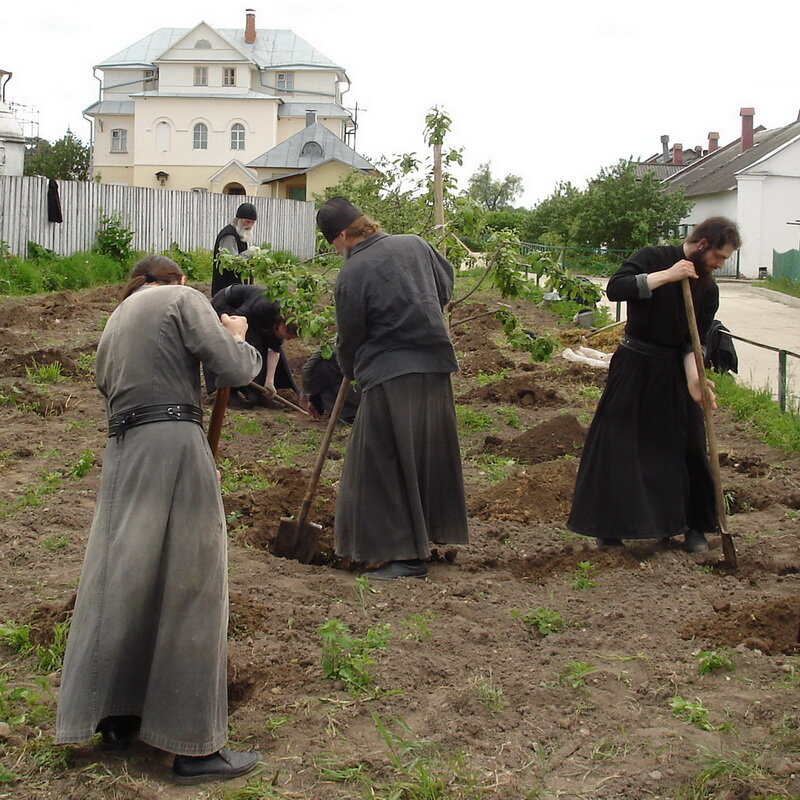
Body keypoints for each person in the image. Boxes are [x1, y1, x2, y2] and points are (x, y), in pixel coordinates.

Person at [55, 255, 263, 784]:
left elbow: (105, 384)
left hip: (123, 451)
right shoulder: (183, 300)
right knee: (193, 585)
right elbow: (234, 369)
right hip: (173, 443)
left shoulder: (117, 317)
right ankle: (193, 748)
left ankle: (116, 719)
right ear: (179, 281)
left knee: (124, 580)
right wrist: (237, 334)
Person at [567, 217, 741, 553]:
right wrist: (668, 276)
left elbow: (696, 340)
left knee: (690, 444)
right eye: (718, 257)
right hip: (634, 365)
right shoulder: (653, 256)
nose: (720, 264)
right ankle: (611, 528)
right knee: (619, 443)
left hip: (675, 370)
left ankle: (692, 528)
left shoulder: (708, 288)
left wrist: (696, 379)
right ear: (702, 244)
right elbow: (616, 288)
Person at [316, 196, 469, 580]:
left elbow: (350, 336)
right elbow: (445, 285)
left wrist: (350, 371)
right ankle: (425, 539)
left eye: (333, 244)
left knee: (380, 465)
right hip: (435, 369)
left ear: (345, 235)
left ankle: (405, 556)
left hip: (389, 376)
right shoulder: (415, 244)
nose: (336, 251)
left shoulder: (353, 273)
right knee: (423, 455)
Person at [207, 283, 299, 408]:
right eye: (288, 336)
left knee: (260, 344)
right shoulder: (263, 306)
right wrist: (239, 349)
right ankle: (229, 392)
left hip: (251, 314)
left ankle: (259, 393)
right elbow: (234, 321)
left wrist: (269, 382)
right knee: (253, 344)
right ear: (282, 326)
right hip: (226, 304)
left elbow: (274, 349)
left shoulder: (281, 317)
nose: (287, 339)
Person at [301, 348, 361, 423]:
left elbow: (306, 369)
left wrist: (308, 395)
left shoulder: (330, 351)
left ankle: (348, 416)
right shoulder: (328, 352)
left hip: (355, 386)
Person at [211, 202, 258, 296]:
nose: (249, 226)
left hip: (234, 289)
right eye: (247, 222)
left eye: (252, 223)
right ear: (238, 220)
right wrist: (250, 253)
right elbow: (233, 263)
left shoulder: (241, 234)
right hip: (224, 292)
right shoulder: (229, 235)